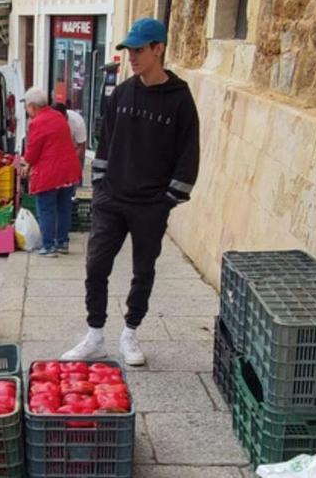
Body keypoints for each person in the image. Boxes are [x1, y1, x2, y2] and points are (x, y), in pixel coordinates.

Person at [61, 18, 200, 366]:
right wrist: (100, 187)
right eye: (128, 51)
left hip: (151, 205)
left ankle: (130, 333)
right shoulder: (122, 93)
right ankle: (94, 335)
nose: (132, 57)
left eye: (138, 50)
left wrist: (168, 200)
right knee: (95, 266)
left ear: (158, 49)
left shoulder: (180, 100)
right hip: (112, 200)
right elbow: (104, 141)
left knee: (143, 270)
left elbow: (189, 155)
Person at [22, 88, 82, 257]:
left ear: (32, 106)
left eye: (27, 107)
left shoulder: (37, 122)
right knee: (64, 207)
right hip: (68, 170)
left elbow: (33, 151)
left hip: (50, 172)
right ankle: (62, 242)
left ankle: (48, 246)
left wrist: (27, 163)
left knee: (46, 209)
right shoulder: (58, 116)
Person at [53, 102, 88, 179]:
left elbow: (81, 146)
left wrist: (71, 161)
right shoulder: (50, 120)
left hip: (74, 147)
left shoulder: (77, 122)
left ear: (65, 115)